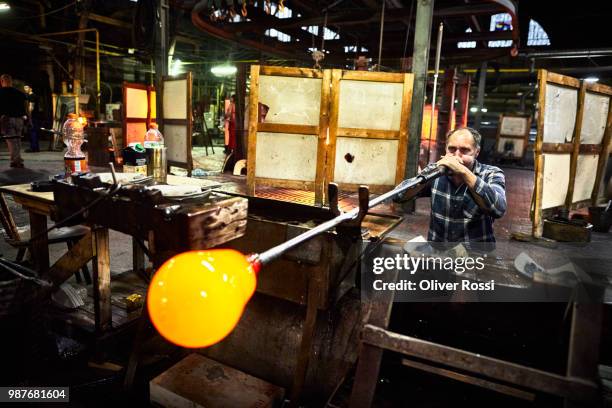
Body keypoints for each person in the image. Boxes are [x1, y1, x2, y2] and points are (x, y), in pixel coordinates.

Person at [397, 127, 507, 243]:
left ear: (476, 152)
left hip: (476, 254)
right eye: (452, 149)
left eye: (464, 150)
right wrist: (431, 173)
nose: (456, 156)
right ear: (446, 149)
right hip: (439, 252)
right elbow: (399, 196)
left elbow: (498, 209)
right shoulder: (437, 171)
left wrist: (463, 171)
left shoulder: (491, 173)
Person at [0, 74, 27, 168]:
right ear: (11, 81)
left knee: (11, 141)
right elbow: (26, 107)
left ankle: (17, 160)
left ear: (2, 81)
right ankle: (15, 160)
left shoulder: (1, 92)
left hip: (7, 119)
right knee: (17, 141)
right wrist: (28, 119)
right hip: (20, 119)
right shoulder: (19, 93)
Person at [24, 84, 41, 152]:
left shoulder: (31, 96)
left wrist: (29, 117)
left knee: (33, 131)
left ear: (31, 88)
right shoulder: (33, 96)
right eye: (24, 88)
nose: (25, 89)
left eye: (26, 88)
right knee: (34, 131)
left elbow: (31, 107)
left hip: (33, 116)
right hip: (35, 116)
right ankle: (35, 147)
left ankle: (33, 148)